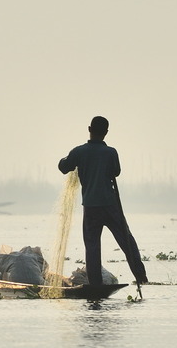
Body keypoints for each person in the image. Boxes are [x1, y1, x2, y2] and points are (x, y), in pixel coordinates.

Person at [58, 116, 148, 291]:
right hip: (110, 205)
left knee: (92, 246)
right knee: (126, 240)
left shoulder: (79, 152)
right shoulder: (110, 152)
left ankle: (96, 285)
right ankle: (141, 276)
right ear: (106, 133)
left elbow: (63, 167)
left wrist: (66, 159)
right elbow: (116, 171)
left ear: (89, 129)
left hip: (91, 207)